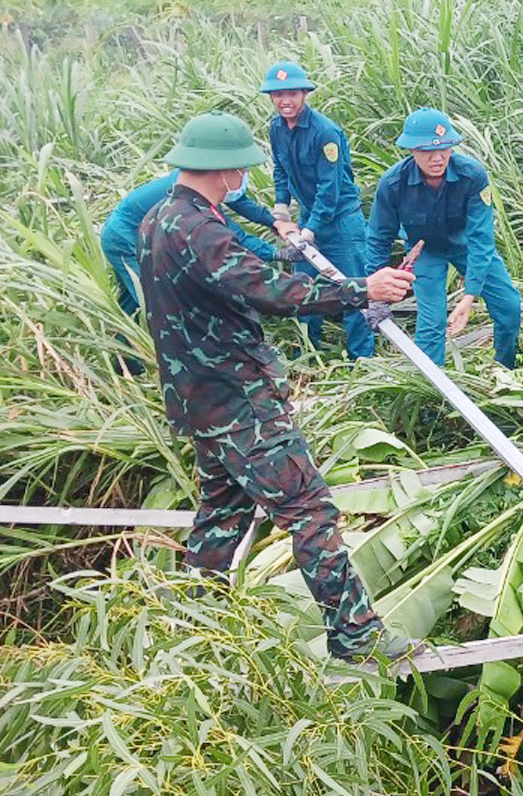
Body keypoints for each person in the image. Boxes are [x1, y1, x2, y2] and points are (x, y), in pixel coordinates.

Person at [137, 111, 419, 660]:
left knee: (223, 511)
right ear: (225, 171)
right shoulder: (198, 228)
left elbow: (242, 281)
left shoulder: (158, 218)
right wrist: (362, 289)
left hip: (199, 399)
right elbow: (266, 290)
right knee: (310, 510)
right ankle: (356, 634)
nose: (245, 176)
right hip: (238, 398)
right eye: (242, 168)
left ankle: (195, 624)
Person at [364, 108, 522, 368]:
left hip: (467, 246)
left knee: (509, 306)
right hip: (424, 250)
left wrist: (470, 296)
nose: (437, 158)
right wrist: (375, 296)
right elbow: (378, 238)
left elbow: (482, 239)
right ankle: (432, 389)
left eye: (445, 149)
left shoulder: (472, 175)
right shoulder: (393, 183)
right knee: (432, 322)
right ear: (412, 150)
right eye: (427, 151)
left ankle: (506, 369)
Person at [261, 61, 374, 359]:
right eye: (278, 95)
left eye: (292, 94)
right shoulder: (276, 129)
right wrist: (282, 208)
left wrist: (311, 230)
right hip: (308, 217)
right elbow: (280, 169)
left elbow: (330, 188)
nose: (286, 101)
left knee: (354, 290)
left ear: (304, 95)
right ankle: (308, 355)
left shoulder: (325, 132)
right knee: (304, 289)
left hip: (340, 221)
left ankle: (361, 361)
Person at [101, 167, 294, 316]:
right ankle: (149, 360)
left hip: (130, 228)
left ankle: (124, 362)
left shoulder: (204, 175)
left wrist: (274, 222)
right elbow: (232, 235)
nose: (242, 176)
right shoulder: (190, 193)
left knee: (133, 302)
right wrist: (277, 253)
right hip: (126, 235)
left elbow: (239, 200)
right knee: (154, 303)